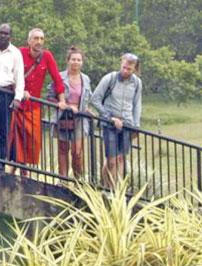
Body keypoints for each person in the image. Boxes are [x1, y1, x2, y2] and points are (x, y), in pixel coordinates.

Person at [13, 28, 66, 175]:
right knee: (16, 138)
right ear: (29, 41)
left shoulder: (47, 56)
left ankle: (24, 169)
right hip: (17, 103)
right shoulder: (20, 52)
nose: (39, 42)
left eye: (41, 39)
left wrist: (62, 100)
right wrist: (19, 89)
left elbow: (57, 79)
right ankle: (17, 170)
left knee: (33, 140)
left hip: (33, 105)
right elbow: (10, 73)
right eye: (36, 38)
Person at [90, 53, 142, 188]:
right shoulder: (110, 78)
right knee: (111, 160)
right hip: (110, 123)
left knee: (121, 158)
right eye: (124, 67)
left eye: (129, 69)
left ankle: (117, 188)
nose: (125, 71)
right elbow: (95, 98)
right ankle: (108, 187)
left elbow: (137, 104)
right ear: (121, 64)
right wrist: (109, 117)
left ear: (135, 69)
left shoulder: (136, 83)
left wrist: (136, 125)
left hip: (127, 124)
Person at [47, 47, 92, 179]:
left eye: (79, 60)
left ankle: (79, 182)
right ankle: (63, 181)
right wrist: (64, 105)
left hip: (80, 118)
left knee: (77, 152)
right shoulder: (59, 77)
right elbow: (50, 96)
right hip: (63, 117)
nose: (76, 62)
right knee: (63, 149)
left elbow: (86, 97)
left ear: (82, 62)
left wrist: (87, 109)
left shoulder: (86, 79)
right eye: (73, 59)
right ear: (68, 61)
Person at [0, 23, 24, 170]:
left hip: (6, 93)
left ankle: (1, 161)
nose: (3, 36)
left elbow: (19, 76)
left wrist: (18, 98)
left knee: (4, 129)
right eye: (1, 32)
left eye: (6, 33)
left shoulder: (15, 53)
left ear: (10, 36)